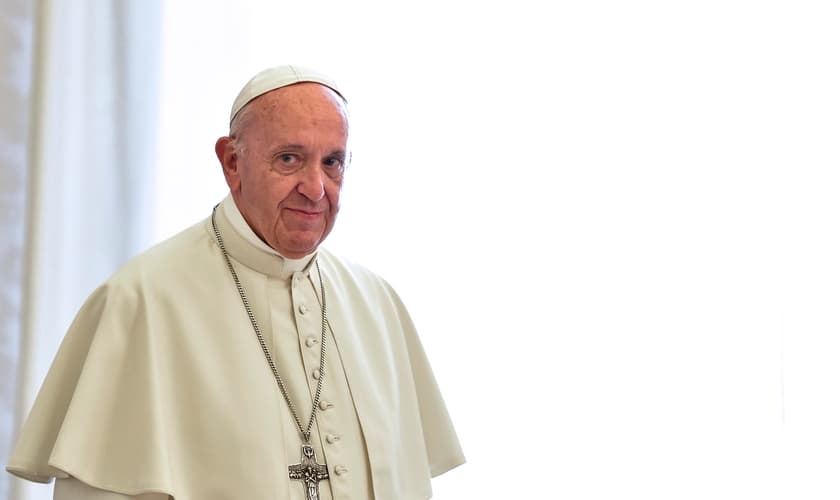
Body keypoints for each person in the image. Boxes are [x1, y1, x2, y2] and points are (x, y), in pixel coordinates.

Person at [7, 65, 464, 500]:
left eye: (332, 162)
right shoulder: (142, 301)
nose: (316, 188)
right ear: (231, 162)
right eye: (290, 158)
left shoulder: (378, 305)